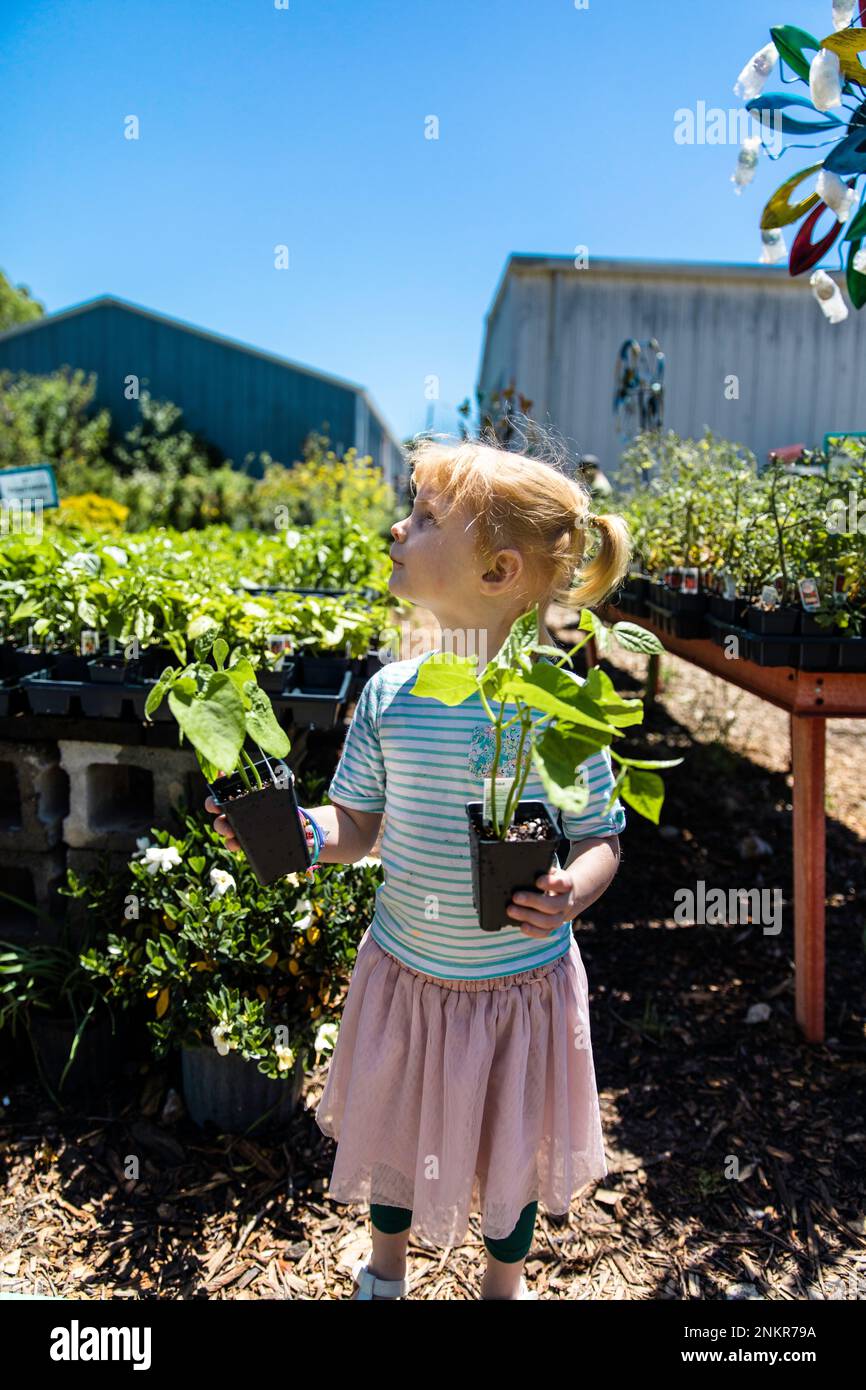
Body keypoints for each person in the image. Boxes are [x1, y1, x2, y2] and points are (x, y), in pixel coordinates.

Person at [206, 431, 632, 1300]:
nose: (398, 529)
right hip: (409, 972)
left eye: (426, 516)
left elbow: (602, 839)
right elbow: (360, 822)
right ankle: (385, 1272)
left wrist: (570, 893)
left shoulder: (560, 708)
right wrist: (297, 834)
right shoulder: (392, 696)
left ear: (498, 571)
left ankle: (501, 1288)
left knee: (509, 1156)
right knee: (396, 1138)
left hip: (518, 988)